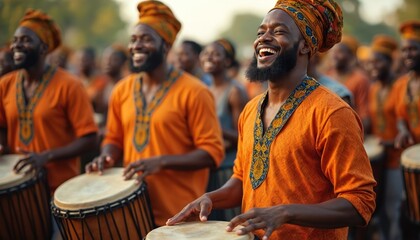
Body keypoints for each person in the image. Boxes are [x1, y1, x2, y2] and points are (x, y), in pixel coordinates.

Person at [167, 0, 377, 239]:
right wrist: (210, 198)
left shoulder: (332, 112)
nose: (263, 38)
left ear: (305, 47)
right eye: (261, 32)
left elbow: (360, 201)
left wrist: (286, 212)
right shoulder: (251, 109)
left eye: (278, 32)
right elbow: (241, 179)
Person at [85, 0, 224, 227]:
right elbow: (113, 137)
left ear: (166, 46)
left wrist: (161, 162)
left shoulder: (195, 91)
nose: (137, 46)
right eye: (133, 40)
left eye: (146, 39)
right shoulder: (122, 89)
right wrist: (107, 156)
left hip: (179, 215)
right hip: (131, 209)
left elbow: (212, 153)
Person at [0, 9, 98, 193]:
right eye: (15, 40)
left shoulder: (70, 85)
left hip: (58, 190)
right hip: (14, 188)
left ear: (44, 48)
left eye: (26, 40)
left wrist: (47, 156)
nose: (17, 46)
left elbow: (90, 138)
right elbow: (2, 126)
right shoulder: (5, 85)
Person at [200, 38, 249, 220]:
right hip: (209, 168)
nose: (209, 57)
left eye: (215, 54)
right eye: (206, 53)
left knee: (229, 226)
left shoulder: (235, 91)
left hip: (228, 172)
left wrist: (214, 129)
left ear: (227, 61)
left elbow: (243, 137)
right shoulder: (205, 90)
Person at [367, 35, 402, 240]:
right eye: (371, 62)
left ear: (389, 63)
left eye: (378, 61)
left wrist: (390, 142)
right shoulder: (374, 88)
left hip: (396, 157)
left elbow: (403, 122)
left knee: (393, 209)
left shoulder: (399, 87)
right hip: (379, 157)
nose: (373, 66)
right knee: (380, 212)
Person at [327, 35, 371, 132]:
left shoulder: (360, 80)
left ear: (351, 56)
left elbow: (364, 116)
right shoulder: (326, 77)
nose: (334, 55)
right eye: (333, 51)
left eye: (340, 52)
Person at [394, 20, 420, 149]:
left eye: (413, 49)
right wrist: (403, 130)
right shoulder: (401, 84)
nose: (407, 55)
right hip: (412, 154)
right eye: (404, 50)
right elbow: (400, 117)